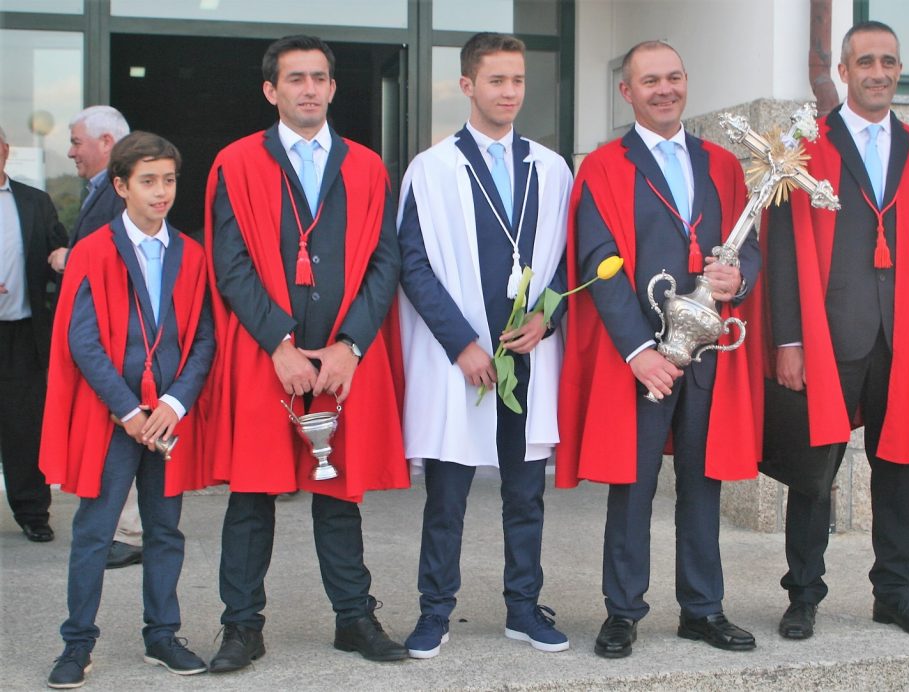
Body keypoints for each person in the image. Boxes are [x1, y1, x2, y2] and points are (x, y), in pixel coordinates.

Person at [764, 20, 909, 641]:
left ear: (899, 70)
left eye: (888, 62)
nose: (878, 72)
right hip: (830, 335)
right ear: (843, 71)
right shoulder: (806, 149)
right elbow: (783, 248)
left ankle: (895, 593)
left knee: (898, 466)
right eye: (865, 62)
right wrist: (788, 340)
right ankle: (803, 595)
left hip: (906, 336)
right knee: (814, 471)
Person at [204, 34, 409, 672]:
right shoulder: (237, 162)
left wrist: (351, 345)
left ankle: (354, 618)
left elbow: (385, 263)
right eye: (296, 78)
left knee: (339, 492)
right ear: (272, 90)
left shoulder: (366, 166)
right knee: (251, 495)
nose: (310, 89)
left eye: (319, 77)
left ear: (333, 87)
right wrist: (279, 344)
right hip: (267, 354)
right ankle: (241, 627)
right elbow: (230, 263)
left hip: (342, 358)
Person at [556, 40, 763, 659]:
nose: (664, 89)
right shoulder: (603, 167)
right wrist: (637, 352)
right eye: (650, 80)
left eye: (673, 77)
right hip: (642, 358)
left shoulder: (721, 164)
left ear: (686, 81)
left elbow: (750, 245)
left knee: (703, 484)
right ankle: (623, 611)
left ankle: (702, 609)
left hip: (708, 355)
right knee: (634, 486)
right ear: (627, 91)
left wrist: (738, 278)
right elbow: (599, 265)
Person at [397, 32, 573, 659]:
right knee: (446, 498)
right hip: (461, 362)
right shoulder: (432, 169)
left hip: (528, 356)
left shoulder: (551, 168)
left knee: (525, 495)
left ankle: (523, 609)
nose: (509, 92)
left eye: (517, 80)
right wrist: (461, 345)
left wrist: (547, 317)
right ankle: (434, 612)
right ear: (467, 85)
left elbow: (569, 257)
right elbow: (413, 264)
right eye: (496, 80)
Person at [39, 131, 215, 688]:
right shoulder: (94, 251)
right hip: (112, 417)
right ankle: (77, 643)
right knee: (95, 531)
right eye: (148, 181)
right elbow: (83, 341)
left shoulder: (192, 254)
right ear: (120, 186)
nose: (161, 192)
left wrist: (174, 402)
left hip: (166, 418)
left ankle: (161, 635)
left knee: (165, 531)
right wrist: (127, 409)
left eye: (169, 180)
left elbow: (204, 338)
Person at [53, 105, 144, 570]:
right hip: (105, 340)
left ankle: (126, 532)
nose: (71, 152)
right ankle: (119, 529)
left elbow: (117, 260)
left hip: (117, 342)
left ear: (107, 143)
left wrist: (68, 259)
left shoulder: (120, 193)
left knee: (121, 430)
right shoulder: (102, 190)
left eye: (76, 142)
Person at [0, 125, 68, 543]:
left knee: (24, 428)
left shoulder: (34, 202)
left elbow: (58, 258)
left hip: (23, 335)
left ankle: (32, 513)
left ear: (5, 151)